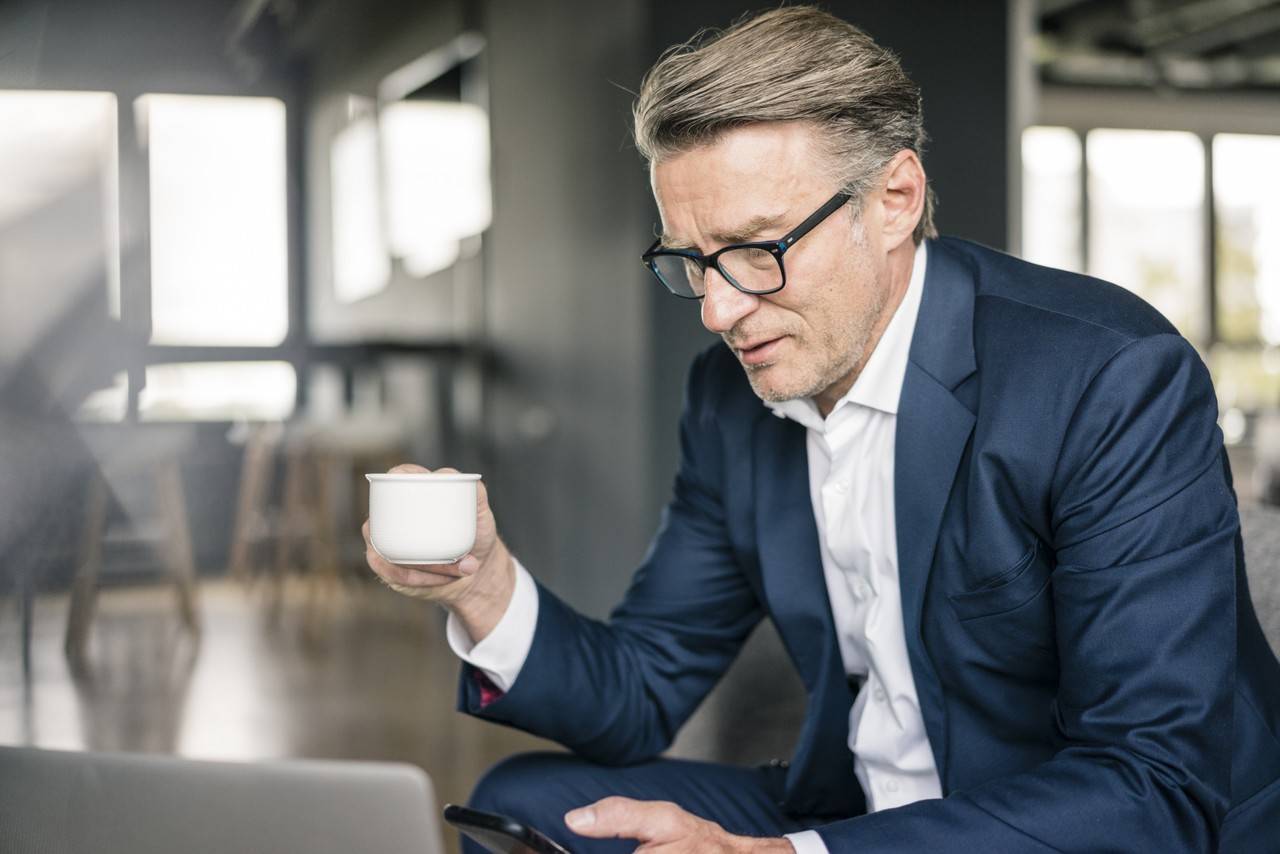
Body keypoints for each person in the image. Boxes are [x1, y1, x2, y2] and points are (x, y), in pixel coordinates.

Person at [363, 7, 1280, 852]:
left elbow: (1153, 786)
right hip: (859, 812)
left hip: (1059, 828)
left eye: (757, 252)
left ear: (895, 200)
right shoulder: (731, 400)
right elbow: (640, 690)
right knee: (528, 803)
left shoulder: (1107, 376)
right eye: (691, 259)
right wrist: (481, 586)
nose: (719, 310)